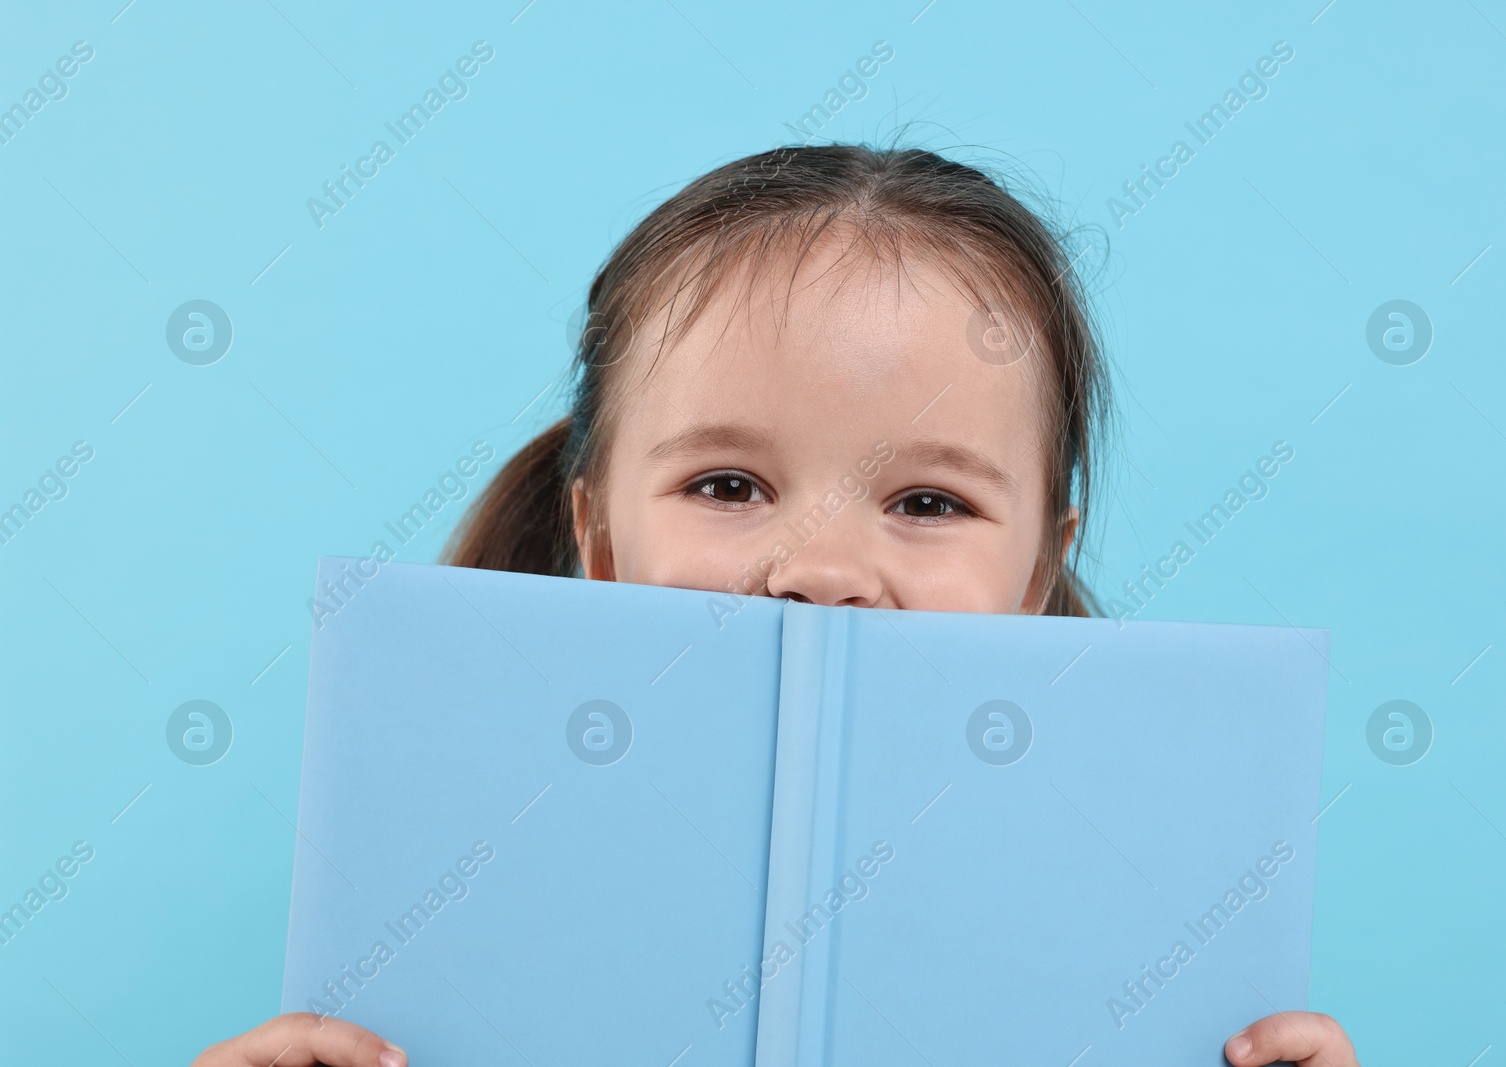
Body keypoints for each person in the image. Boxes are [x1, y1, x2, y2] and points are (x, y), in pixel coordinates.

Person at [193, 144, 1358, 1067]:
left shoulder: (1151, 930)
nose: (820, 567)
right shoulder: (440, 895)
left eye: (928, 499)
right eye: (729, 485)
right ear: (599, 534)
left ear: (1040, 569)